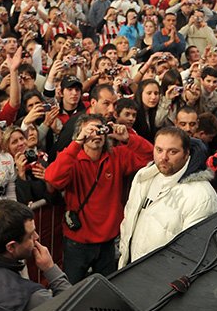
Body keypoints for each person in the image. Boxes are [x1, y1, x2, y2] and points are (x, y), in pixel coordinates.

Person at [44, 114, 153, 283]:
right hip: (78, 240)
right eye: (90, 131)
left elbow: (150, 157)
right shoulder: (71, 159)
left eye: (99, 130)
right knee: (71, 290)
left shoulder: (116, 156)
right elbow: (52, 178)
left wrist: (128, 138)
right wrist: (77, 142)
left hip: (108, 241)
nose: (96, 135)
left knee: (105, 289)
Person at [118, 127, 217, 267]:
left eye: (173, 152)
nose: (163, 157)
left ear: (186, 154)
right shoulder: (144, 177)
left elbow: (195, 253)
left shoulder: (202, 196)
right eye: (159, 150)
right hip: (130, 267)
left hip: (161, 279)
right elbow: (129, 218)